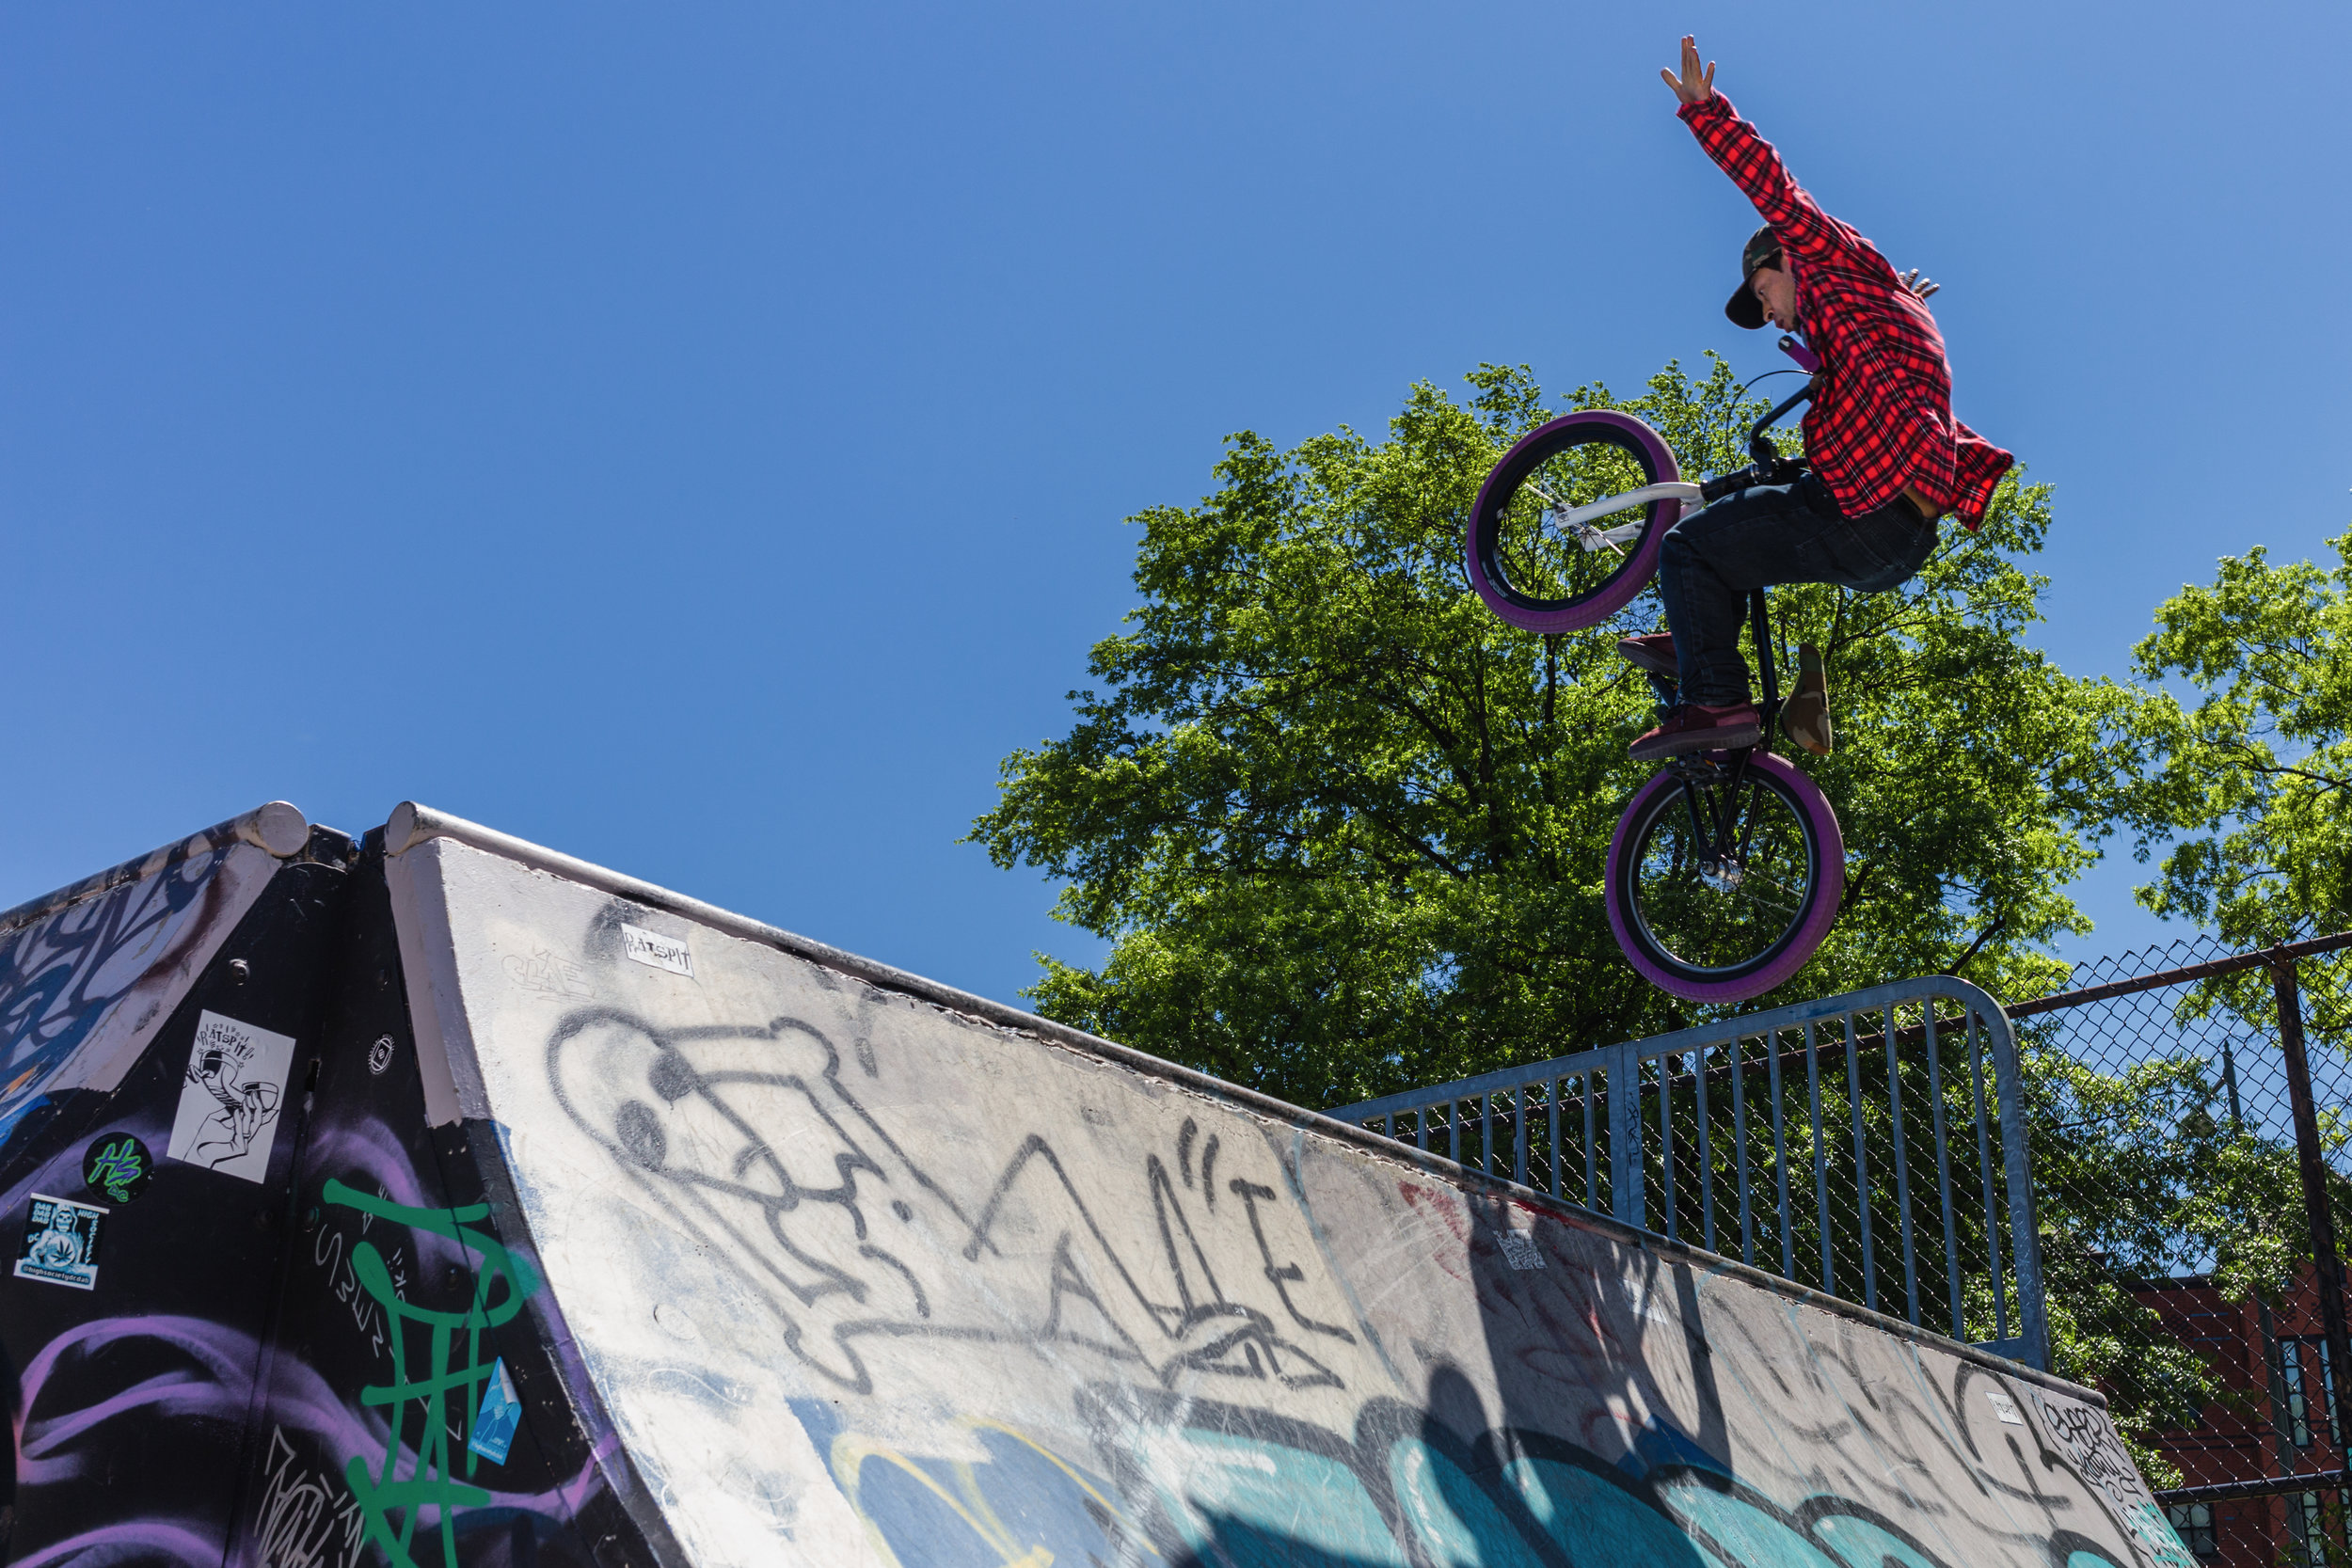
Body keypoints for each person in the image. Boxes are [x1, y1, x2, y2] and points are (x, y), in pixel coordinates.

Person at [1623, 37, 2012, 761]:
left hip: (1868, 511)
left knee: (1686, 547)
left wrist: (1710, 116)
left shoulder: (1826, 258)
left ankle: (1714, 699)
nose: (1767, 312)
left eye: (1763, 293)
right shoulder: (1862, 312)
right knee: (1749, 518)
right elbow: (1866, 362)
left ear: (1784, 259)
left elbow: (1779, 192)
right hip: (1894, 538)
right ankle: (1713, 648)